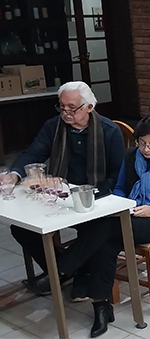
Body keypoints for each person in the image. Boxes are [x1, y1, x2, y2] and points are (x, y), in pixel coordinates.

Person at [22, 115, 150, 338]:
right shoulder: (131, 156)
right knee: (106, 241)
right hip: (134, 214)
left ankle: (61, 270)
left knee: (108, 229)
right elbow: (120, 189)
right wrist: (121, 204)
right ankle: (101, 307)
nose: (146, 149)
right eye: (141, 143)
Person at [8, 81, 124, 300]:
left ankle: (60, 271)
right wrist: (14, 173)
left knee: (97, 227)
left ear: (89, 107)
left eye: (72, 108)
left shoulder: (109, 131)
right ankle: (74, 270)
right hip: (61, 195)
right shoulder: (54, 127)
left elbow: (118, 174)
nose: (66, 113)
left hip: (96, 196)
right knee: (22, 228)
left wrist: (93, 195)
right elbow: (33, 154)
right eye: (62, 107)